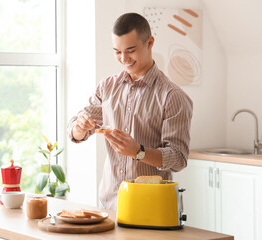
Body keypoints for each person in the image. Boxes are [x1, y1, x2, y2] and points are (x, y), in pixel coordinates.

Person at [67, 12, 193, 210]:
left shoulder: (172, 96)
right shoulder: (106, 87)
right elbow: (74, 131)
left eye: (130, 50)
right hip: (108, 204)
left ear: (150, 43)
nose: (124, 58)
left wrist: (138, 152)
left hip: (151, 207)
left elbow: (178, 158)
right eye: (117, 51)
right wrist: (80, 127)